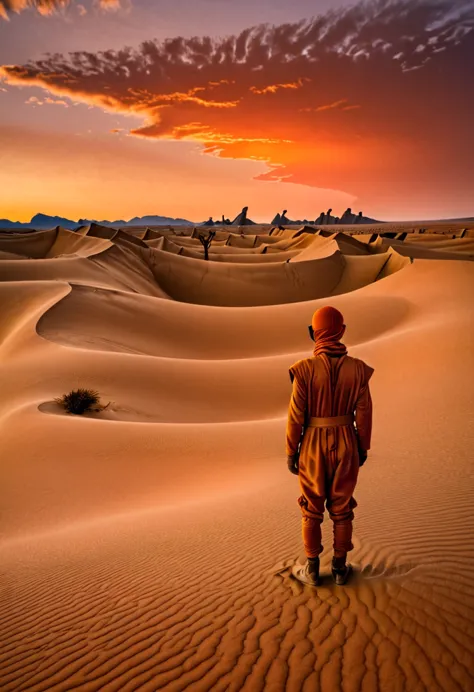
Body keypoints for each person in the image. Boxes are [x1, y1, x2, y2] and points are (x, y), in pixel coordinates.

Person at [286, 306, 374, 586]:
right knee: (342, 506)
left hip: (312, 443)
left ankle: (312, 569)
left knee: (311, 507)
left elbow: (295, 417)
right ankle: (339, 567)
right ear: (342, 331)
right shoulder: (358, 370)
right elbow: (364, 413)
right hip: (347, 440)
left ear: (313, 334)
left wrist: (291, 451)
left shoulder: (303, 371)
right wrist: (362, 447)